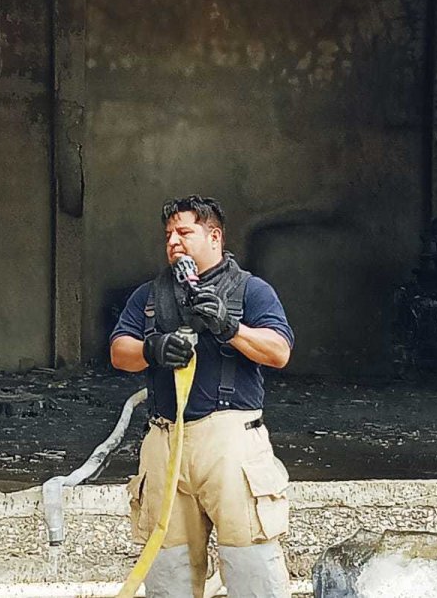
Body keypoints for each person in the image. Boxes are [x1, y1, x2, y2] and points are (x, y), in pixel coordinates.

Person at [110, 195, 294, 598]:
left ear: (214, 236)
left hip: (229, 441)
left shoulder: (251, 290)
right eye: (168, 234)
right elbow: (118, 352)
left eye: (184, 231)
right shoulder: (150, 296)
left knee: (251, 569)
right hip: (165, 440)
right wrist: (151, 349)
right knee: (168, 573)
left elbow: (279, 351)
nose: (174, 241)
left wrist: (231, 328)